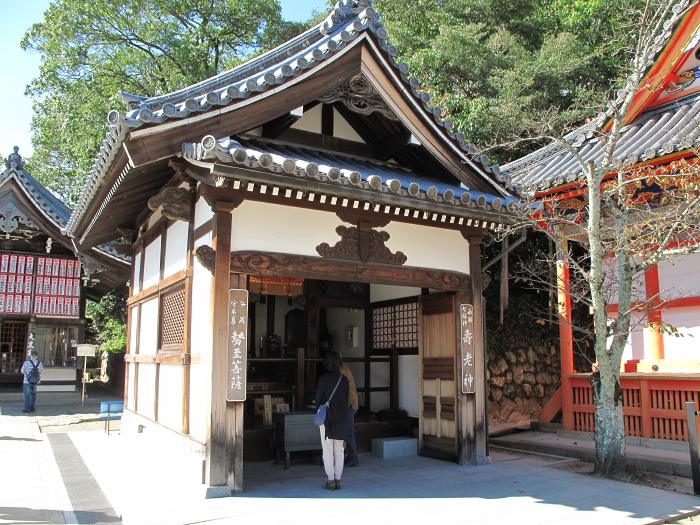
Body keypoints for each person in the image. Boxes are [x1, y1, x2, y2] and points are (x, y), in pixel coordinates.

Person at [314, 351, 348, 490]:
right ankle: (338, 479)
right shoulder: (344, 379)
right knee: (339, 450)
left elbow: (318, 399)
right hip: (342, 418)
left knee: (327, 450)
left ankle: (331, 480)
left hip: (327, 419)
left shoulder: (323, 379)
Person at [339, 356, 359, 467]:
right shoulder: (344, 368)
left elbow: (348, 391)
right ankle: (350, 456)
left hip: (349, 405)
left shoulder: (341, 371)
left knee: (349, 433)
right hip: (351, 404)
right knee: (347, 433)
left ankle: (353, 458)